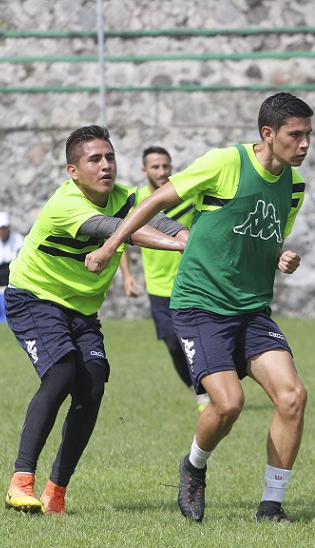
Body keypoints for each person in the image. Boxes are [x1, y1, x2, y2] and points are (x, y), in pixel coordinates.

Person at [85, 92, 314, 523]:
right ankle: (194, 467)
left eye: (308, 135)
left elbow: (265, 234)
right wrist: (112, 245)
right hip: (201, 304)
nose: (304, 144)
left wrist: (282, 254)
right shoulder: (225, 163)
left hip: (251, 309)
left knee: (293, 396)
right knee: (228, 404)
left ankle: (271, 506)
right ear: (268, 134)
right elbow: (153, 202)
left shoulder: (294, 186)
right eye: (294, 135)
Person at [3, 125, 188, 515]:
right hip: (34, 297)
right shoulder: (65, 205)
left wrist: (188, 233)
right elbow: (121, 231)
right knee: (62, 372)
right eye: (95, 159)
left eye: (110, 157)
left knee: (93, 384)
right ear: (73, 171)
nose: (106, 166)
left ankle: (56, 493)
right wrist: (179, 244)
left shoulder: (126, 198)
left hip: (82, 309)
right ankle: (21, 481)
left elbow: (165, 221)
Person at [119, 146, 211, 413]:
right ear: (144, 170)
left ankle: (212, 388)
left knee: (200, 340)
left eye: (165, 166)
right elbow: (122, 239)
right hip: (159, 288)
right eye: (155, 167)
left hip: (193, 282)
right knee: (173, 344)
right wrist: (127, 276)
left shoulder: (186, 194)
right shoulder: (138, 202)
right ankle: (199, 391)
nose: (161, 172)